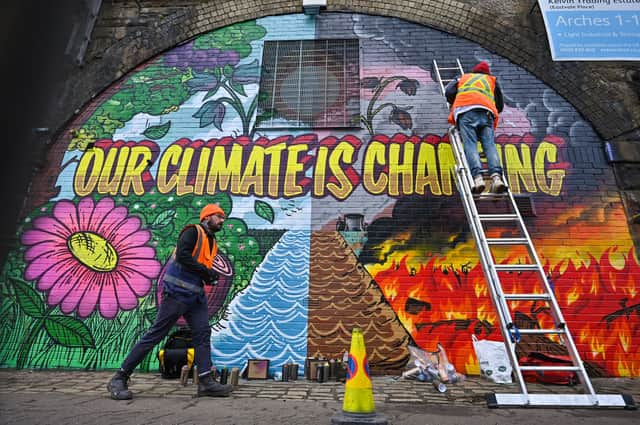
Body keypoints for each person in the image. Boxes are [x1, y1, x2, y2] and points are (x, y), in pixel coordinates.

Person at [107, 204, 233, 400]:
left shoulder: (211, 241)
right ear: (207, 217)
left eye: (223, 217)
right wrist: (205, 272)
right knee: (155, 335)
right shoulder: (193, 231)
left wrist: (209, 277)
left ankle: (206, 381)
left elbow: (199, 265)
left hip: (195, 296)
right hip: (176, 294)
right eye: (219, 216)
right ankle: (119, 377)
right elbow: (183, 256)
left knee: (202, 334)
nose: (222, 221)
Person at [445, 61, 506, 194]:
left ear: (474, 71)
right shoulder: (491, 80)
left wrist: (454, 101)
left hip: (466, 111)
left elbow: (448, 91)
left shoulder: (463, 78)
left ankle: (478, 179)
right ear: (487, 73)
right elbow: (500, 105)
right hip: (486, 113)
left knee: (470, 145)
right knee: (489, 146)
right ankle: (496, 179)